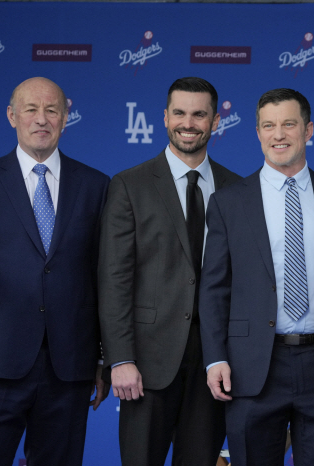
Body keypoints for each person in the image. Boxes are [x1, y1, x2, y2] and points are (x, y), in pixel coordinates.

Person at [0, 77, 110, 465]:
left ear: (66, 118)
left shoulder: (96, 185)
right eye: (31, 110)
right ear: (11, 116)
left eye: (52, 110)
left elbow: (106, 277)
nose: (41, 119)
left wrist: (105, 356)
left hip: (68, 368)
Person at [199, 88, 314, 466]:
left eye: (288, 124)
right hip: (251, 367)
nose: (278, 134)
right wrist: (215, 357)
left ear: (309, 129)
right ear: (257, 133)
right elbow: (214, 287)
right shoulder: (228, 202)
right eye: (268, 125)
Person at [98, 77, 240, 466]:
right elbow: (114, 279)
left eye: (199, 114)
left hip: (215, 362)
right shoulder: (130, 185)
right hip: (147, 362)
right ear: (164, 117)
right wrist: (120, 358)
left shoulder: (238, 189)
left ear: (216, 121)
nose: (188, 123)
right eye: (179, 112)